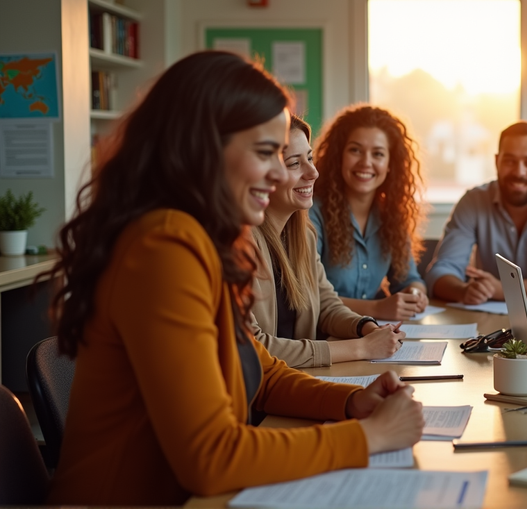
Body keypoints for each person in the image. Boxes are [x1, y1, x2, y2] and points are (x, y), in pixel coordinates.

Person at [44, 52, 424, 506]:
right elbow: (210, 457)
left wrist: (349, 404)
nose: (282, 173)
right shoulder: (163, 248)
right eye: (267, 153)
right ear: (201, 147)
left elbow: (259, 372)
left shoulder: (206, 240)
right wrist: (369, 437)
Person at [249, 115, 404, 368]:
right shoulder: (240, 244)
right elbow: (255, 348)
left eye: (309, 158)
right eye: (293, 163)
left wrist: (366, 327)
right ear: (261, 174)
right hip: (259, 397)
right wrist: (361, 347)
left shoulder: (303, 235)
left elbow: (326, 305)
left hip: (297, 382)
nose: (313, 172)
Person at [425, 121, 527, 304]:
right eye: (510, 161)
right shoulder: (473, 201)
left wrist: (503, 290)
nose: (519, 172)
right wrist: (463, 291)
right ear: (497, 161)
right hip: (489, 323)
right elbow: (442, 270)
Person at [310, 105, 429, 321]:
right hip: (323, 338)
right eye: (355, 150)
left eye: (378, 154)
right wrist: (376, 309)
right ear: (339, 156)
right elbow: (309, 295)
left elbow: (408, 279)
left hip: (372, 336)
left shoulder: (392, 215)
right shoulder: (313, 211)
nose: (366, 162)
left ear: (390, 164)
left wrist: (415, 294)